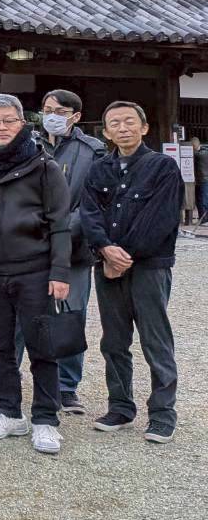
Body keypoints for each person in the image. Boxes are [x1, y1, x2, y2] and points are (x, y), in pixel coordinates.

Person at [0, 93, 71, 456]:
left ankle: (46, 418)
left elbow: (60, 223)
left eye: (9, 120)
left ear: (23, 123)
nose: (2, 127)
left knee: (42, 346)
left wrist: (60, 271)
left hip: (35, 269)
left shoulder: (44, 166)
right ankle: (8, 410)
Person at [0, 89, 105, 411]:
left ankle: (66, 385)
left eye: (60, 111)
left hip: (71, 247)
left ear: (75, 116)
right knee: (17, 316)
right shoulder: (28, 146)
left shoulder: (92, 151)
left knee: (67, 314)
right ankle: (7, 378)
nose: (52, 116)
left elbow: (91, 204)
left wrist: (57, 232)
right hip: (26, 250)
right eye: (47, 110)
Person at [81, 101, 181, 444]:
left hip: (149, 267)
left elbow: (160, 220)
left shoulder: (162, 167)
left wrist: (122, 256)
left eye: (129, 122)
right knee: (113, 341)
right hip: (106, 264)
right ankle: (120, 407)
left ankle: (163, 414)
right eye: (114, 124)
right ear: (106, 132)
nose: (122, 128)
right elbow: (89, 213)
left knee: (156, 340)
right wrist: (103, 249)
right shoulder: (99, 169)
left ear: (144, 127)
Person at [194, 137, 208, 224]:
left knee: (203, 200)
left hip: (204, 179)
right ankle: (202, 218)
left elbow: (197, 155)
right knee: (199, 200)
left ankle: (205, 219)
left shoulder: (203, 153)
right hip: (200, 180)